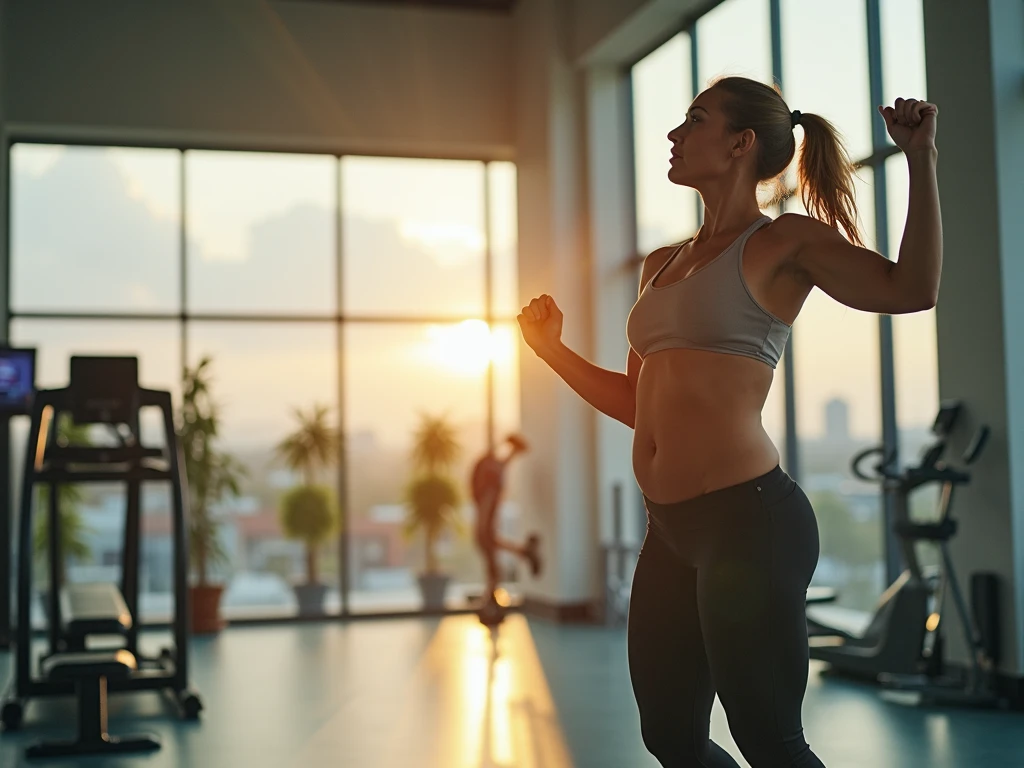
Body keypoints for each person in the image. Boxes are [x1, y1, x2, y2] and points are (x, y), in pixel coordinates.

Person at [517, 76, 940, 768]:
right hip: (669, 529)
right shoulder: (661, 265)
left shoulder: (783, 245)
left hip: (749, 523)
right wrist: (552, 352)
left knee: (769, 742)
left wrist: (920, 159)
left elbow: (912, 289)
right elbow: (636, 404)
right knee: (671, 738)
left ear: (741, 144)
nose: (674, 135)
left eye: (694, 120)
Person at [470, 433, 542, 600]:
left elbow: (487, 511)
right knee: (489, 551)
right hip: (486, 518)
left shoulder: (490, 481)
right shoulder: (491, 474)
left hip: (486, 519)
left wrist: (482, 526)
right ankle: (524, 551)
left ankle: (490, 598)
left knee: (488, 549)